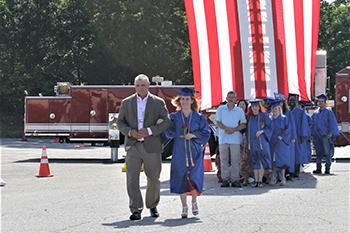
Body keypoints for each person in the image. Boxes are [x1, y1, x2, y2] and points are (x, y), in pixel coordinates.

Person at [117, 74, 170, 221]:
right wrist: (129, 131)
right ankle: (136, 209)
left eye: (143, 85)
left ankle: (152, 205)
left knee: (153, 178)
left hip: (151, 145)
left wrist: (150, 131)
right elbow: (120, 122)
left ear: (148, 86)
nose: (140, 88)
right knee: (132, 179)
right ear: (135, 86)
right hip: (133, 146)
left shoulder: (158, 102)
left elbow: (166, 121)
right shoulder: (126, 102)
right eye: (137, 85)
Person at [164, 87, 210, 218]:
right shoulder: (174, 117)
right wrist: (166, 123)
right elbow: (169, 133)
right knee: (180, 177)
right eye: (182, 99)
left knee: (194, 177)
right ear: (179, 101)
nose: (184, 101)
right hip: (179, 150)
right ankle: (184, 206)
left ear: (192, 101)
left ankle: (194, 202)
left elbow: (206, 133)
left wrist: (193, 135)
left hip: (194, 150)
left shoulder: (199, 117)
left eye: (187, 99)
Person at [215, 91, 246, 188]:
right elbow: (217, 122)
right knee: (224, 160)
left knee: (235, 160)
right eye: (229, 97)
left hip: (235, 139)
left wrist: (234, 129)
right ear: (226, 98)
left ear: (236, 99)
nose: (231, 99)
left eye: (233, 97)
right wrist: (226, 128)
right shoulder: (221, 109)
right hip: (223, 139)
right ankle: (225, 179)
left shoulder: (239, 111)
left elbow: (243, 124)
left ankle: (235, 179)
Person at [311, 94, 340, 174]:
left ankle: (327, 169)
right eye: (319, 101)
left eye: (322, 101)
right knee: (318, 153)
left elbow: (332, 123)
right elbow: (312, 124)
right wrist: (312, 134)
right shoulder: (315, 113)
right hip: (317, 136)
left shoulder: (329, 112)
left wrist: (330, 133)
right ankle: (318, 168)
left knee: (327, 153)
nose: (320, 103)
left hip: (325, 136)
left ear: (325, 102)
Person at [247, 100, 273, 187]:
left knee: (261, 160)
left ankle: (260, 180)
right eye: (253, 106)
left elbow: (270, 127)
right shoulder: (249, 117)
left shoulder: (264, 115)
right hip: (252, 142)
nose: (254, 108)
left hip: (261, 142)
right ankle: (256, 180)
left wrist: (262, 131)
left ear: (259, 107)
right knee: (254, 160)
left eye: (256, 106)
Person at [288, 93, 311, 177]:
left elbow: (304, 125)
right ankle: (289, 172)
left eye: (293, 100)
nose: (291, 102)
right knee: (290, 154)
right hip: (288, 137)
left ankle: (296, 172)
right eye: (290, 100)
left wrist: (303, 135)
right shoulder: (287, 112)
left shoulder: (300, 112)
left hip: (298, 136)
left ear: (296, 101)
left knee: (297, 154)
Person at [270, 101, 291, 185]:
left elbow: (288, 129)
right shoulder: (270, 119)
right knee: (273, 161)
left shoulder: (284, 118)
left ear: (279, 109)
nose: (274, 111)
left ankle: (283, 178)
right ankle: (274, 177)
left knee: (282, 161)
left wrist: (282, 137)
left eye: (276, 109)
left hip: (281, 143)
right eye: (273, 109)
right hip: (272, 142)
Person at [237, 99, 250, 186]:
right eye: (240, 104)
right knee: (237, 159)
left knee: (245, 158)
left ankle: (246, 177)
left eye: (243, 104)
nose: (241, 106)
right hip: (235, 138)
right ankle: (238, 176)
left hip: (245, 139)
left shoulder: (248, 116)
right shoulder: (233, 116)